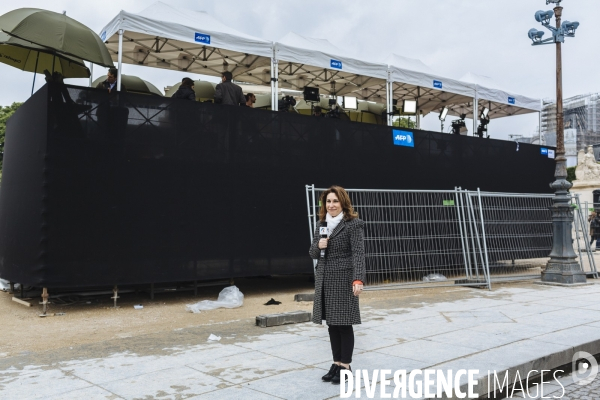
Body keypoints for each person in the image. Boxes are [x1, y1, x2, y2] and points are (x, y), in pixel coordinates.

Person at [309, 185, 365, 385]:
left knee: (344, 323)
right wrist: (318, 245)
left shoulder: (353, 224)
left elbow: (358, 253)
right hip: (325, 277)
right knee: (332, 323)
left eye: (335, 201)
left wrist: (358, 279)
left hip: (344, 278)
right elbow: (312, 253)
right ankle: (336, 363)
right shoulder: (321, 224)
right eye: (328, 201)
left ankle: (346, 366)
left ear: (343, 203)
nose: (331, 205)